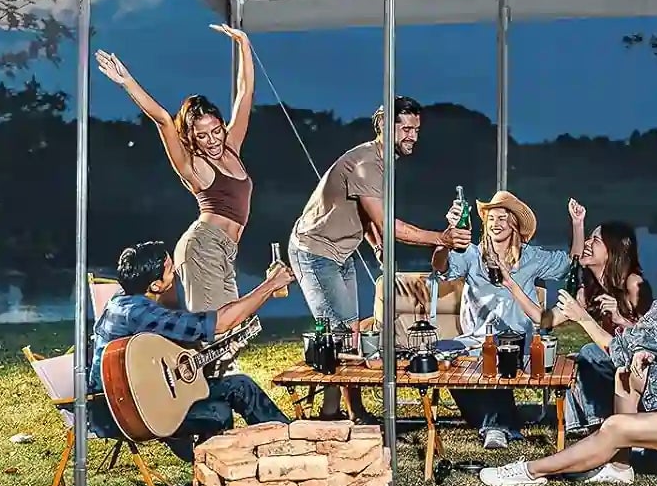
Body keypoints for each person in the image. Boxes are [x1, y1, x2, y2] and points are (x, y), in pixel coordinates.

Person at [479, 224, 657, 486]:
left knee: (615, 426)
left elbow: (616, 348)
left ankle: (531, 471)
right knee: (626, 375)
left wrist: (582, 319)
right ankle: (619, 466)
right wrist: (641, 353)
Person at [288, 96, 470, 419]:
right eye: (406, 128)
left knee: (347, 331)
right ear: (385, 125)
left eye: (416, 129)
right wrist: (440, 238)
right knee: (342, 332)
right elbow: (387, 221)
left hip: (342, 252)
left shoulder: (384, 162)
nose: (412, 136)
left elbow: (367, 215)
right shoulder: (366, 164)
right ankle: (337, 415)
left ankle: (342, 410)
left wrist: (376, 245)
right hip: (313, 250)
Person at [94, 25, 256, 315]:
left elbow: (244, 94)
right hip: (203, 247)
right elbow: (163, 120)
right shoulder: (192, 165)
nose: (213, 140)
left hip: (225, 250)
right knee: (216, 328)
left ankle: (217, 362)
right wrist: (127, 80)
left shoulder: (232, 146)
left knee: (231, 326)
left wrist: (244, 44)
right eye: (202, 135)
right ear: (191, 137)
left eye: (216, 130)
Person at [89, 240, 293, 460]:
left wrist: (213, 353)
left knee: (240, 385)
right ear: (155, 285)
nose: (175, 270)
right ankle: (216, 468)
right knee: (218, 412)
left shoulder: (122, 300)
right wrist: (270, 285)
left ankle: (290, 442)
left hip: (148, 391)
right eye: (169, 269)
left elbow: (165, 353)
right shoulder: (138, 313)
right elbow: (220, 323)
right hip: (128, 411)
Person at [430, 191, 582, 449]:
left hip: (521, 342)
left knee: (497, 356)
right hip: (476, 340)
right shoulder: (472, 255)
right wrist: (446, 239)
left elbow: (571, 262)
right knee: (445, 360)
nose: (496, 223)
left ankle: (495, 426)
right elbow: (440, 267)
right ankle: (502, 422)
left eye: (503, 218)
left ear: (514, 224)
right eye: (491, 218)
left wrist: (577, 225)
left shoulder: (532, 257)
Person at [549, 216, 654, 438]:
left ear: (613, 249)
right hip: (613, 357)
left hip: (639, 362)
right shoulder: (589, 291)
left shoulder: (633, 284)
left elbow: (650, 337)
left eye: (595, 240)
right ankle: (580, 426)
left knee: (589, 351)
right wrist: (513, 290)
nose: (587, 243)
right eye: (588, 238)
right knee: (574, 359)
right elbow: (547, 320)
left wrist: (620, 318)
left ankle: (598, 425)